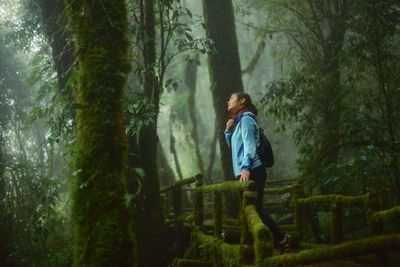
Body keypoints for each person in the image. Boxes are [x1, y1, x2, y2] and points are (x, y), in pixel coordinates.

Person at [224, 91, 291, 253]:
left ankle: (279, 239)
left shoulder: (246, 120)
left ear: (242, 101)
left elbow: (249, 146)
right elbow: (235, 150)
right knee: (250, 209)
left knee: (255, 210)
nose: (228, 101)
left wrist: (246, 167)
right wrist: (228, 132)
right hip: (245, 171)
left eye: (231, 98)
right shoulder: (238, 121)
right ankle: (274, 240)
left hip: (253, 170)